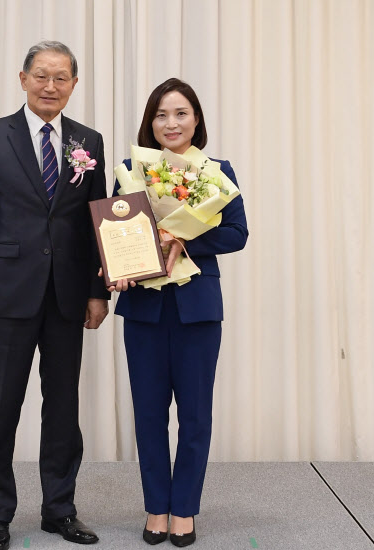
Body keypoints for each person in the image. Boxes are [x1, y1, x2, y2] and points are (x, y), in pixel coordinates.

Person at [0, 41, 109, 550]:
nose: (51, 86)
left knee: (63, 408)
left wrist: (97, 291)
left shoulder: (89, 141)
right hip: (6, 296)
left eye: (62, 77)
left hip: (68, 297)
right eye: (42, 76)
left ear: (73, 84)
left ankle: (59, 509)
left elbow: (98, 224)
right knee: (0, 407)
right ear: (22, 78)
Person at [110, 78, 248, 547]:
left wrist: (186, 236)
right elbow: (114, 235)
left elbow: (236, 233)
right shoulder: (131, 170)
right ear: (151, 123)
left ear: (196, 119)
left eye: (181, 113)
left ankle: (184, 509)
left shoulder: (217, 170)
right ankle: (156, 507)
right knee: (148, 414)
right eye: (162, 115)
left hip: (197, 309)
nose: (171, 123)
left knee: (195, 415)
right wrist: (118, 266)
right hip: (145, 308)